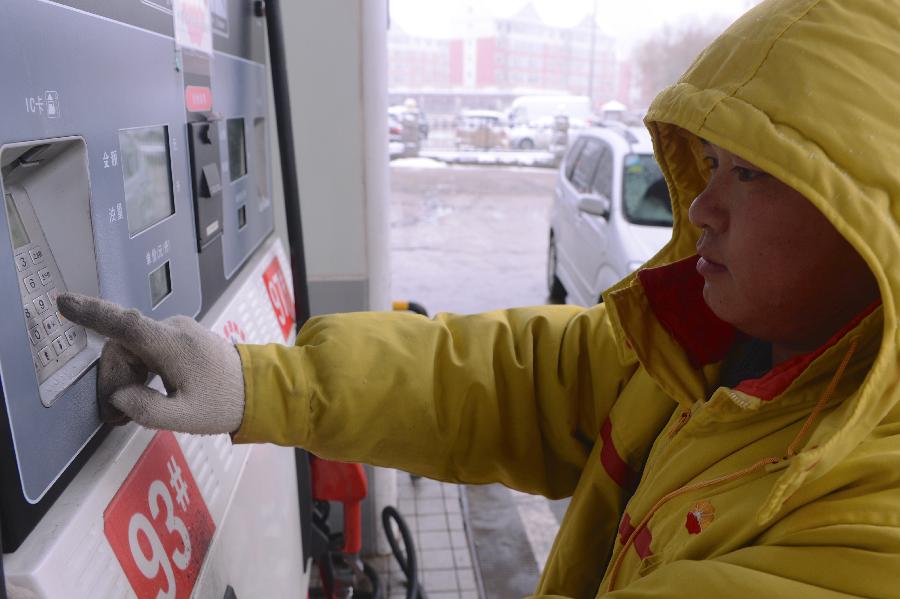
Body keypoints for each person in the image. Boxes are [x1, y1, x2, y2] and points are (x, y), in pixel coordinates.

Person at [54, 0, 900, 596]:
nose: (703, 208)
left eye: (751, 174)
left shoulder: (866, 526)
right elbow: (505, 375)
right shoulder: (696, 348)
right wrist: (257, 381)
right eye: (709, 164)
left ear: (874, 225)